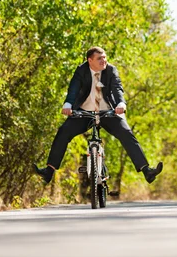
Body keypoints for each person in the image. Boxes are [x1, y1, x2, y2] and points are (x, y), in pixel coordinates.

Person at [34, 47, 163, 184]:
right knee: (63, 131)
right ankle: (49, 171)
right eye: (99, 58)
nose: (104, 60)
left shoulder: (111, 70)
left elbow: (117, 88)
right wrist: (68, 104)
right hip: (84, 113)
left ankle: (146, 170)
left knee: (126, 132)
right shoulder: (81, 71)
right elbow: (73, 89)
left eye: (105, 57)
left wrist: (120, 104)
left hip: (108, 112)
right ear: (90, 60)